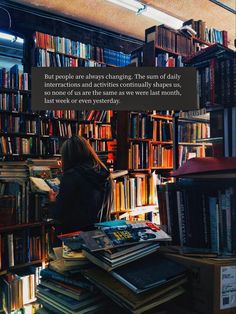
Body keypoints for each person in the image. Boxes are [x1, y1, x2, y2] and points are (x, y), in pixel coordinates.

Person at [49, 135, 113, 234]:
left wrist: (53, 201)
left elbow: (60, 214)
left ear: (68, 157)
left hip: (75, 234)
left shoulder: (71, 175)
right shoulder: (104, 172)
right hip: (100, 230)